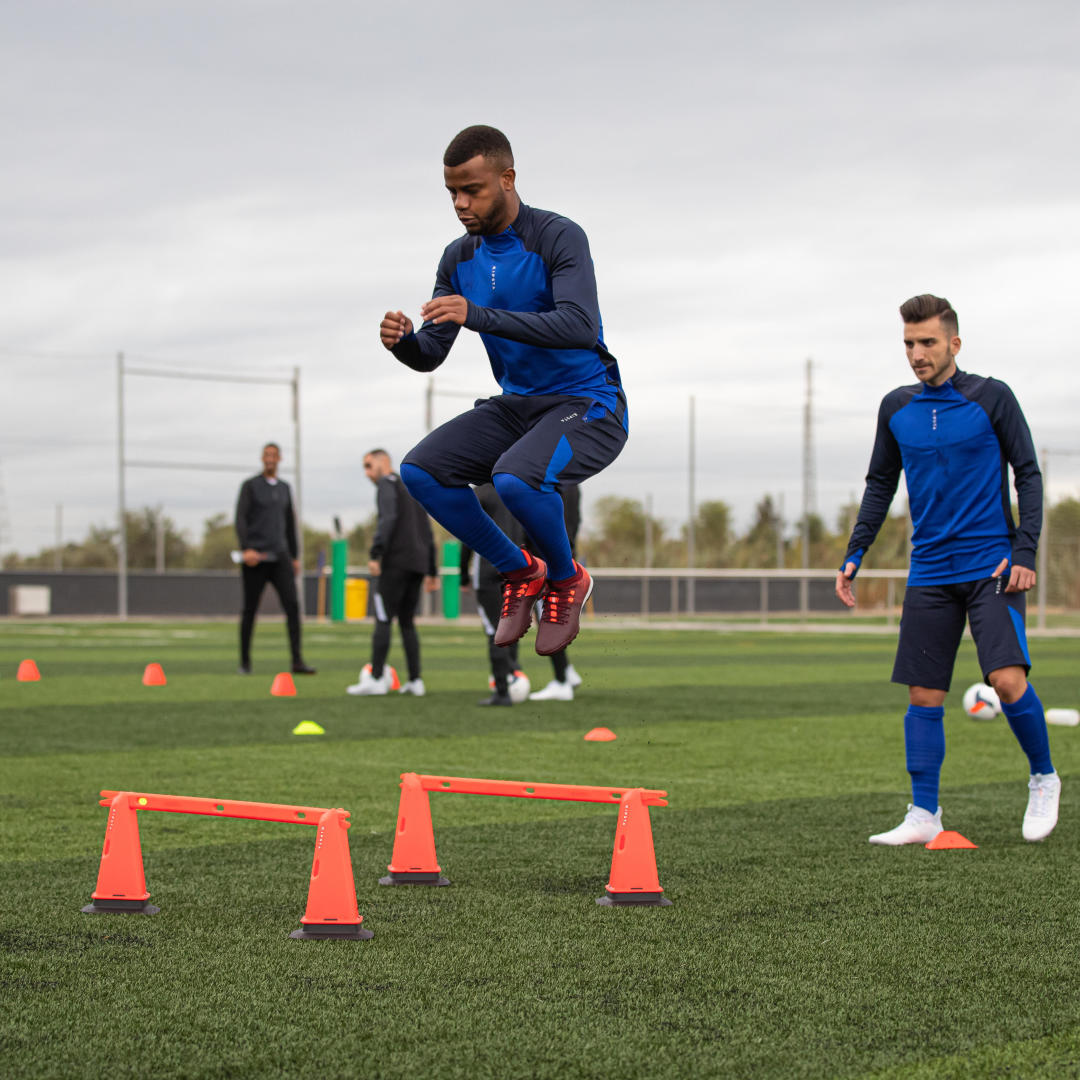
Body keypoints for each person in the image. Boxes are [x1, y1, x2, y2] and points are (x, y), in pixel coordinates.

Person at [379, 124, 627, 661]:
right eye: (452, 193)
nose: (461, 204)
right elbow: (432, 353)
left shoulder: (558, 236)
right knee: (421, 471)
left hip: (588, 404)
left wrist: (480, 315)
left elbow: (578, 326)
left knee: (515, 479)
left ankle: (567, 580)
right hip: (520, 407)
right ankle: (522, 570)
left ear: (507, 178)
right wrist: (404, 344)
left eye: (473, 190)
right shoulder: (457, 259)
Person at [836, 294, 1060, 845]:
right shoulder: (896, 407)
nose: (917, 353)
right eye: (909, 343)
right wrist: (855, 552)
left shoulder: (993, 397)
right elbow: (879, 484)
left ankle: (1043, 777)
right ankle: (924, 813)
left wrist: (1026, 553)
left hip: (993, 565)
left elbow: (1028, 475)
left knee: (1008, 681)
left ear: (954, 343)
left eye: (928, 342)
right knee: (923, 695)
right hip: (930, 570)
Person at [347, 449, 437, 696]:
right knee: (407, 622)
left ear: (382, 462)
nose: (366, 472)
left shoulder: (386, 485)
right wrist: (431, 569)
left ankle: (376, 678)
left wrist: (376, 553)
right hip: (417, 564)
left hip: (395, 562)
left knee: (384, 617)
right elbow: (427, 530)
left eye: (368, 465)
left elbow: (388, 519)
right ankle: (416, 681)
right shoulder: (410, 487)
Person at [235, 442, 315, 675]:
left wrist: (295, 556)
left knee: (292, 606)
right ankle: (245, 663)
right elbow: (241, 519)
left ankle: (297, 662)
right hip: (256, 557)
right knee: (250, 609)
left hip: (280, 556)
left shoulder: (284, 488)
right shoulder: (250, 486)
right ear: (262, 458)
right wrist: (246, 548)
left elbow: (290, 524)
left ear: (279, 459)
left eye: (274, 455)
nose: (270, 459)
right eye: (266, 455)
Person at [459, 483, 527, 706]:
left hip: (489, 568)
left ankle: (502, 692)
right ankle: (513, 676)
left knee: (494, 629)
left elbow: (468, 534)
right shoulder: (517, 489)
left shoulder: (480, 493)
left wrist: (463, 574)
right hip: (518, 567)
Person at [529, 481, 583, 701]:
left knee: (547, 619)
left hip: (546, 556)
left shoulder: (541, 479)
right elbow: (576, 521)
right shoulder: (572, 482)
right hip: (565, 554)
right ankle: (567, 672)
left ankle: (561, 681)